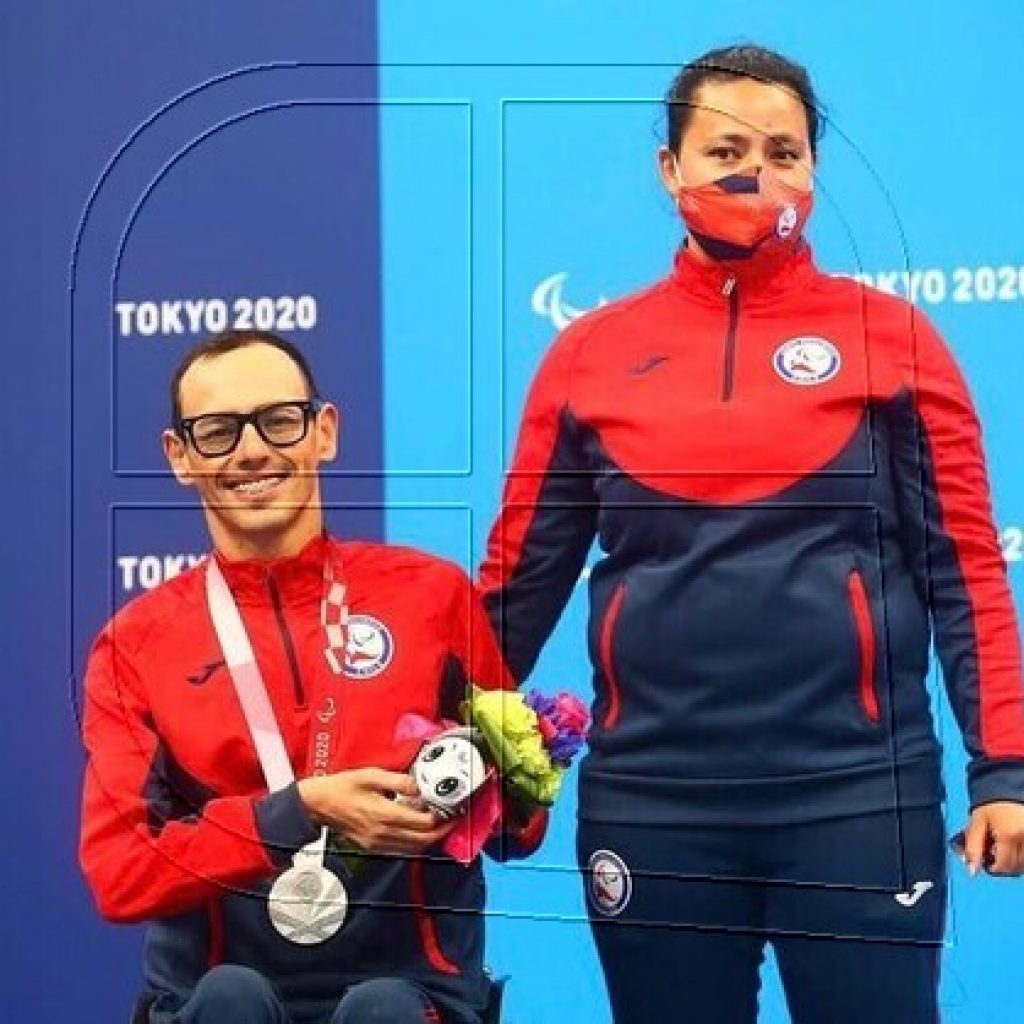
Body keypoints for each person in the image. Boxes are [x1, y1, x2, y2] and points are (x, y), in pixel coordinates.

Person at [479, 44, 1024, 1023]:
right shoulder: (589, 357)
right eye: (724, 147)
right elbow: (515, 587)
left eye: (781, 151)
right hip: (653, 803)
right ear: (669, 168)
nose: (753, 173)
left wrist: (1005, 770)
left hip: (859, 797)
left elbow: (965, 569)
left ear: (813, 171)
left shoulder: (891, 341)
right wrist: (462, 753)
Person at [79, 330, 545, 1024]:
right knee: (230, 1003)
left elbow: (522, 831)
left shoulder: (431, 596)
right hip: (216, 995)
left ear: (323, 432)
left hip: (412, 993)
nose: (252, 449)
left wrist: (480, 790)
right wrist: (301, 810)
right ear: (179, 456)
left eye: (279, 420)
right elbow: (119, 873)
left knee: (383, 1013)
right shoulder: (136, 645)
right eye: (217, 431)